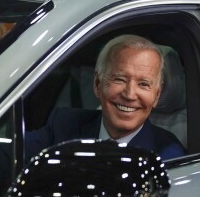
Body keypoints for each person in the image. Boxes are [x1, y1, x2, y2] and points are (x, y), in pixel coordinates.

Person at [25, 34, 186, 161]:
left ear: (157, 95)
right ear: (97, 84)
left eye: (143, 84)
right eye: (120, 79)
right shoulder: (64, 125)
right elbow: (9, 154)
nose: (130, 95)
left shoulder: (168, 156)